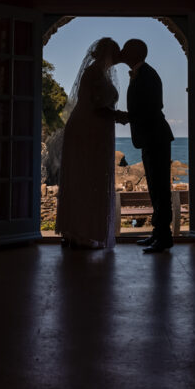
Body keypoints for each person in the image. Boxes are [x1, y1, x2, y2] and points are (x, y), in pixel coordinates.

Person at [55, 37, 126, 249]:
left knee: (88, 178)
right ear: (107, 54)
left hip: (95, 129)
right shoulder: (94, 73)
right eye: (115, 54)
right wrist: (119, 115)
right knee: (86, 178)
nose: (117, 58)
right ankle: (80, 233)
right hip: (87, 131)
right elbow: (96, 106)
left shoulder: (99, 73)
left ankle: (80, 231)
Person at [118, 39, 175, 253]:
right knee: (154, 188)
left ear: (135, 53)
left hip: (156, 136)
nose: (122, 53)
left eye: (126, 49)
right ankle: (158, 233)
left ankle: (164, 236)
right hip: (151, 137)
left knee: (160, 188)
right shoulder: (141, 73)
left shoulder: (148, 74)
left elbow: (152, 107)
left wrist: (126, 116)